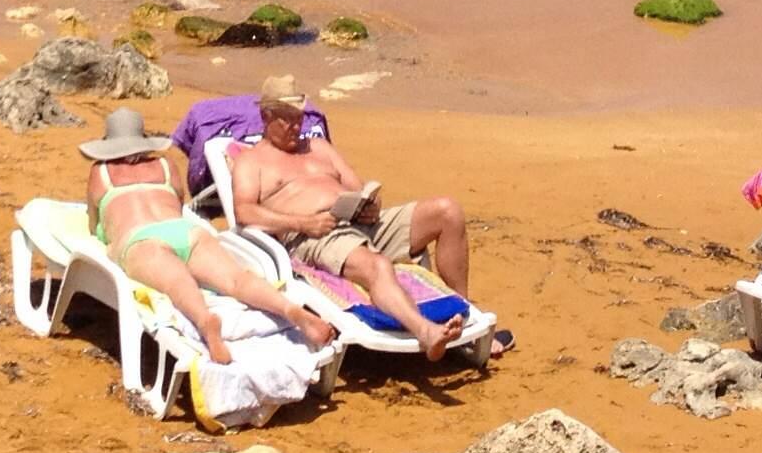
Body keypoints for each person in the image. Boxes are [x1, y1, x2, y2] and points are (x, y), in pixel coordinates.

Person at [224, 75, 474, 359]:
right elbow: (244, 212)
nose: (296, 126)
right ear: (266, 115)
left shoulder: (318, 147)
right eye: (287, 120)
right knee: (377, 265)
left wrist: (370, 206)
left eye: (300, 118)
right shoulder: (251, 161)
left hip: (359, 222)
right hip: (318, 234)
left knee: (447, 211)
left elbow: (358, 186)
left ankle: (464, 311)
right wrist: (303, 223)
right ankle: (426, 332)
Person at [85, 107, 338, 364]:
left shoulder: (101, 172)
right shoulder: (165, 165)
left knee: (178, 282)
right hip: (185, 231)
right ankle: (291, 310)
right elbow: (177, 203)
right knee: (237, 280)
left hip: (141, 239)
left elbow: (94, 222)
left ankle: (205, 321)